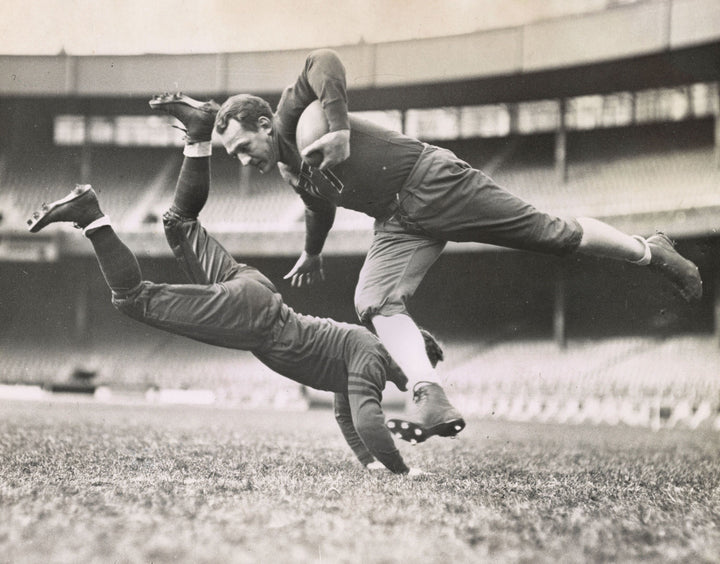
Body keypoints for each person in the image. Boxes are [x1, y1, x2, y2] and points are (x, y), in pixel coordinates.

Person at [172, 48, 703, 440]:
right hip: (397, 221)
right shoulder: (290, 169)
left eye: (244, 147)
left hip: (433, 181)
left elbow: (324, 61)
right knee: (372, 301)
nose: (244, 161)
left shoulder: (296, 117)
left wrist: (338, 128)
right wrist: (312, 251)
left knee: (552, 235)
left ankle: (650, 251)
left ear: (265, 124)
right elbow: (320, 207)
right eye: (234, 155)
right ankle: (429, 395)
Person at [25, 95, 448, 475]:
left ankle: (198, 133)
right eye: (419, 373)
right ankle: (90, 216)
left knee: (179, 223)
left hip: (256, 292)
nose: (416, 382)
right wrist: (400, 471)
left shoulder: (364, 352)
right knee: (134, 300)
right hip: (256, 319)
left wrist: (370, 463)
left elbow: (347, 417)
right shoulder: (372, 360)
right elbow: (368, 420)